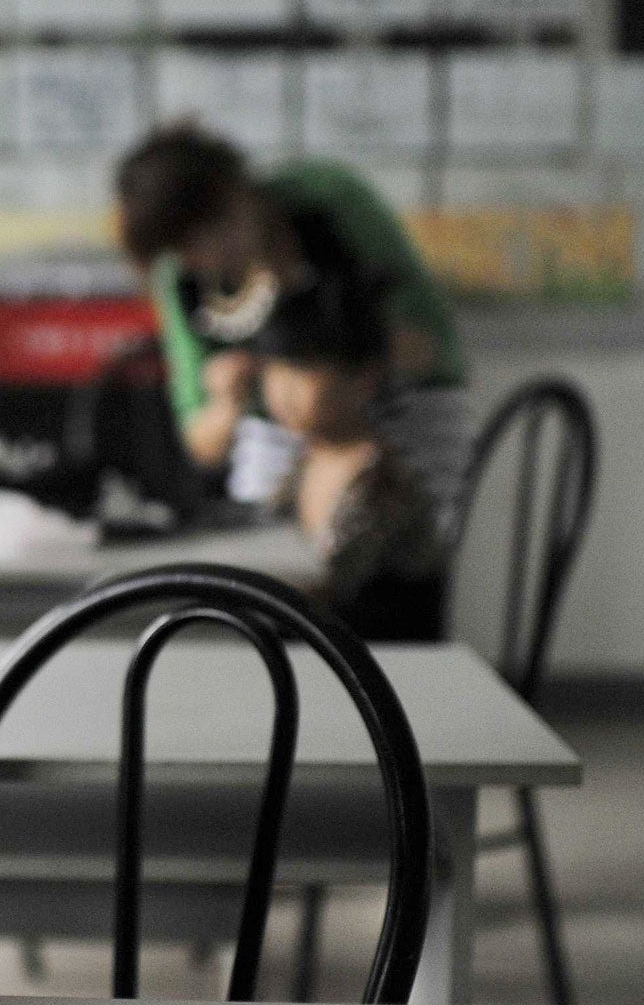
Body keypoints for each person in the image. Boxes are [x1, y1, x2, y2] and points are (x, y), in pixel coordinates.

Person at [114, 126, 470, 521]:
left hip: (403, 412)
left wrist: (340, 368)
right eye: (190, 248)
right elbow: (202, 440)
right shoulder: (182, 282)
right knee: (268, 558)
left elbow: (430, 340)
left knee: (414, 540)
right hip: (276, 442)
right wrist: (229, 403)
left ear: (240, 188)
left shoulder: (326, 203)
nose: (213, 253)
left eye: (221, 225)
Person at [252, 273, 449, 642]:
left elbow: (332, 584)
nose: (282, 388)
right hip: (322, 645)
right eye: (272, 368)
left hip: (381, 661)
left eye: (302, 368)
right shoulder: (306, 459)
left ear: (364, 378)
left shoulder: (380, 477)